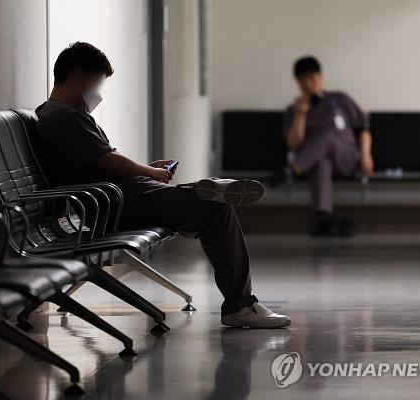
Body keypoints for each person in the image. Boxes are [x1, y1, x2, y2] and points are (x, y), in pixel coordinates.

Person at [34, 42, 290, 328]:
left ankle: (205, 189)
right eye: (97, 83)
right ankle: (240, 306)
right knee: (216, 207)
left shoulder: (62, 114)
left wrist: (146, 171)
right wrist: (148, 172)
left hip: (122, 195)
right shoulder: (64, 117)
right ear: (79, 76)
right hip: (113, 203)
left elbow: (104, 161)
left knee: (207, 197)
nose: (97, 92)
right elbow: (108, 161)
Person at [284, 56, 374, 237]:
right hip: (316, 163)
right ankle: (322, 218)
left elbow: (363, 129)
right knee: (321, 162)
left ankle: (293, 168)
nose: (308, 84)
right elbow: (294, 145)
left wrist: (366, 155)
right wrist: (300, 116)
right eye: (303, 81)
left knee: (327, 139)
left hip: (348, 159)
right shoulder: (295, 110)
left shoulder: (341, 99)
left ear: (320, 77)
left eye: (312, 78)